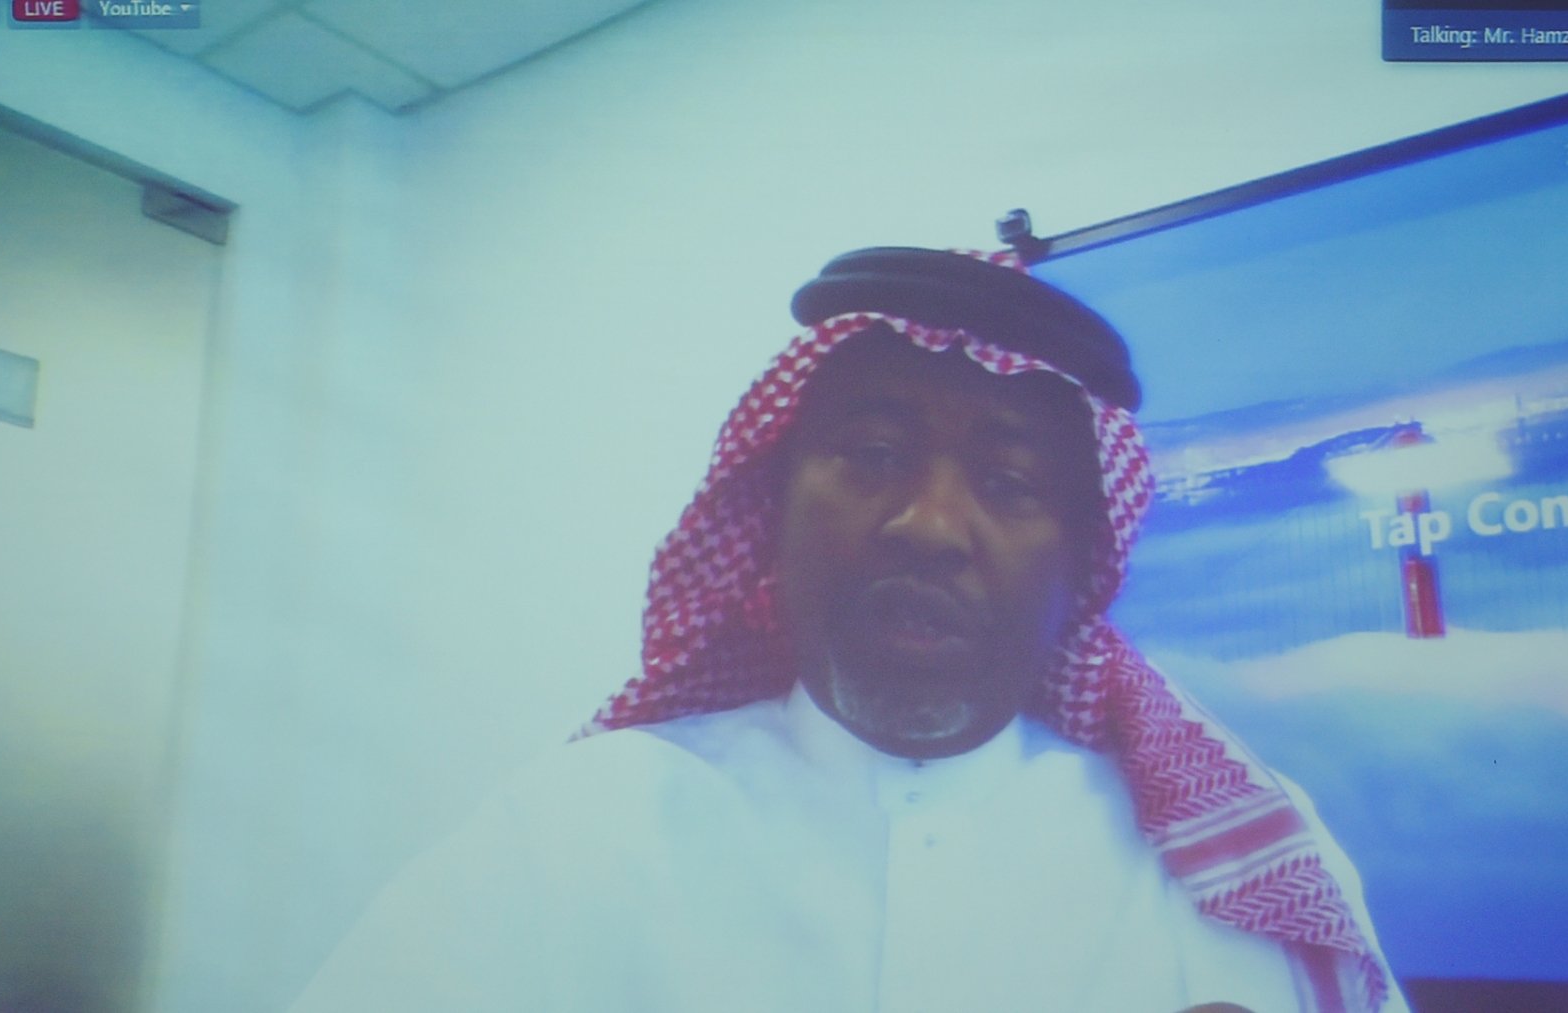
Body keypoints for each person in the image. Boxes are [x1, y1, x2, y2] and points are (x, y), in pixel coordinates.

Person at [292, 248, 1406, 1013]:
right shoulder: (577, 833)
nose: (930, 523)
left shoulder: (1231, 869)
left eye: (1009, 481)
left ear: (1083, 563)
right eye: (873, 454)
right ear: (772, 509)